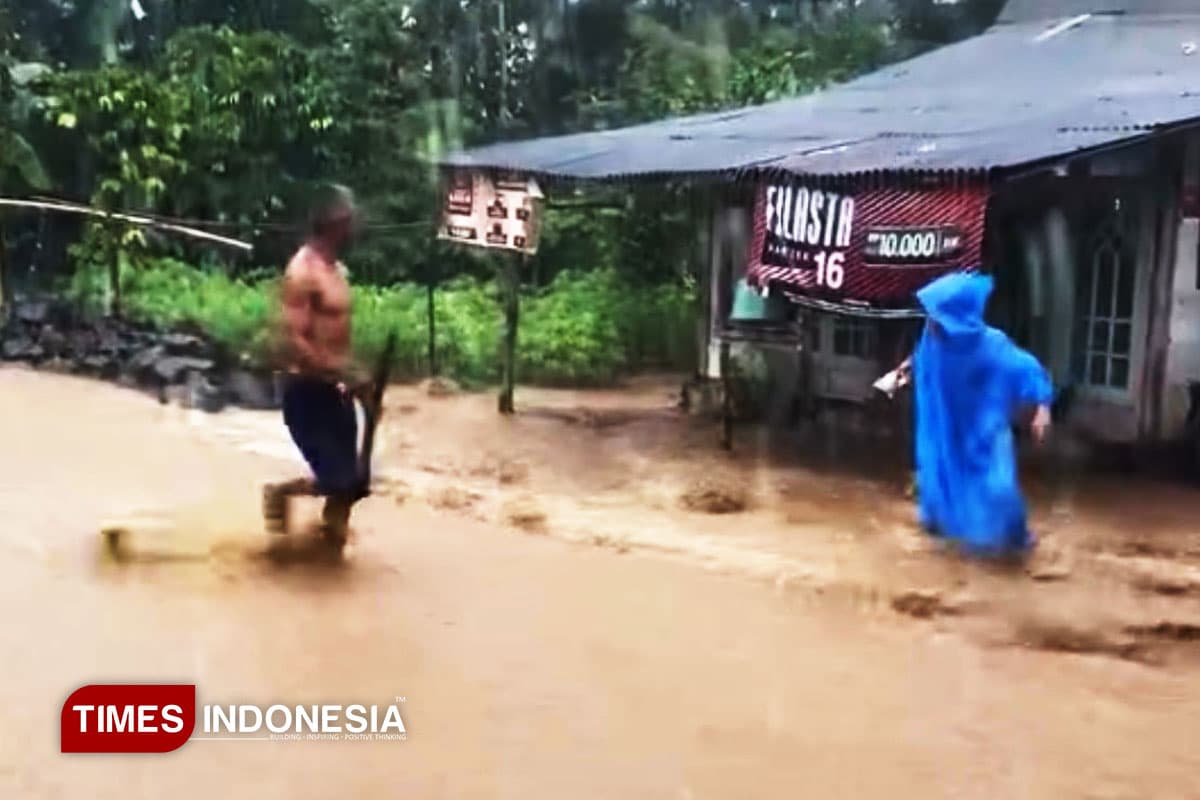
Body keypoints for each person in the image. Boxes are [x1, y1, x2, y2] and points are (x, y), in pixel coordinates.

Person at [904, 271, 1053, 558]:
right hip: (945, 428)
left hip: (984, 430)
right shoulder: (932, 342)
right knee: (940, 484)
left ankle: (1013, 542)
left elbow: (1026, 368)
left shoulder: (992, 346)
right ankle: (951, 542)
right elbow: (919, 361)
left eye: (937, 314)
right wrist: (901, 374)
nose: (930, 321)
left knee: (999, 489)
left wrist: (1041, 408)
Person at [261, 185, 373, 548]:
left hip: (335, 389)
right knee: (338, 480)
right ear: (334, 221)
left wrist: (353, 376)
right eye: (349, 214)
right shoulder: (303, 271)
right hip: (307, 392)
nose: (355, 221)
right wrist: (340, 372)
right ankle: (279, 494)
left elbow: (336, 336)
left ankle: (329, 553)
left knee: (353, 485)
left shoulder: (336, 269)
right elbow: (292, 338)